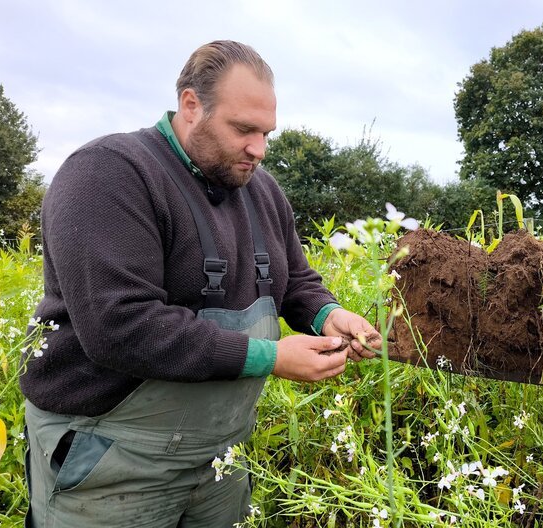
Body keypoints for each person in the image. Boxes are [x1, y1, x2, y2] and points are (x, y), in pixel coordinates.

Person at [19, 40, 381, 527]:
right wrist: (270, 357)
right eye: (243, 129)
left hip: (219, 457)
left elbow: (294, 280)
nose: (259, 148)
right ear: (191, 105)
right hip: (112, 458)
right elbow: (121, 326)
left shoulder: (261, 188)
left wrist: (327, 314)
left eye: (267, 132)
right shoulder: (109, 173)